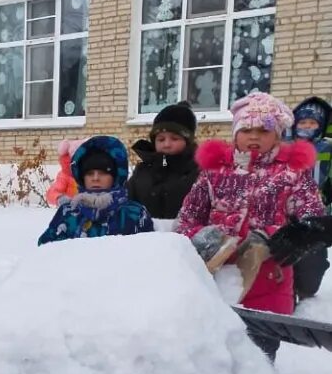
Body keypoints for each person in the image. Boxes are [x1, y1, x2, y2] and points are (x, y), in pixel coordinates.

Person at [175, 91, 324, 334]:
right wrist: (201, 236)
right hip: (216, 277)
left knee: (260, 355)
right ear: (235, 133)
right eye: (246, 130)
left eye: (263, 131)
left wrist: (278, 237)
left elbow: (311, 218)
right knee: (215, 349)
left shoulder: (292, 173)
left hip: (269, 281)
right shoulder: (214, 172)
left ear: (277, 134)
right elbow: (187, 217)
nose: (254, 136)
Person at [37, 135, 154, 245]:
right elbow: (47, 252)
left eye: (103, 173)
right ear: (82, 177)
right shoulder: (68, 212)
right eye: (89, 173)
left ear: (115, 176)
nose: (95, 178)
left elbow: (147, 254)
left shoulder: (135, 214)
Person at [287, 96, 332, 302]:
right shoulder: (285, 146)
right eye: (302, 122)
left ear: (320, 126)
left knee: (312, 254)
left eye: (312, 123)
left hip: (316, 207)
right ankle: (288, 289)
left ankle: (305, 288)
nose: (307, 127)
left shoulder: (327, 148)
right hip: (286, 206)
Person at [126, 101, 199, 220]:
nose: (167, 144)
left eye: (174, 139)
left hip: (182, 237)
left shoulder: (198, 173)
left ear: (188, 141)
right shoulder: (142, 172)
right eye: (161, 139)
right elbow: (127, 205)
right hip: (145, 237)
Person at [46, 137, 88, 207]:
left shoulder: (92, 175)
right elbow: (52, 192)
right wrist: (60, 198)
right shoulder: (65, 176)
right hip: (70, 211)